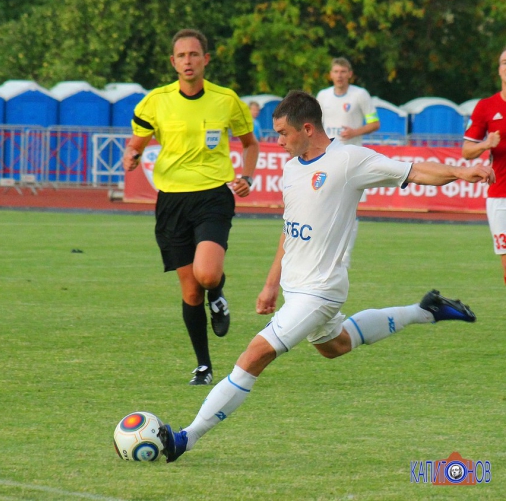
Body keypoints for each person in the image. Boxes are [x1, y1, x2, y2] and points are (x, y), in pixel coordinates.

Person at [158, 90, 494, 462]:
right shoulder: (290, 169)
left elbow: (414, 171)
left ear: (307, 128)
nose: (278, 141)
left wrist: (463, 171)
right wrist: (272, 283)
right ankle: (425, 310)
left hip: (320, 292)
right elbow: (291, 229)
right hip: (295, 288)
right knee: (337, 345)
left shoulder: (348, 159)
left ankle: (186, 438)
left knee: (254, 355)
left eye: (283, 133)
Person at [123, 29, 259, 385]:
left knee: (209, 275)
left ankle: (219, 294)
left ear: (205, 60)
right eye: (181, 56)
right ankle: (204, 365)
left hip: (213, 194)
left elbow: (250, 144)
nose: (188, 61)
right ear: (173, 62)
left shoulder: (226, 100)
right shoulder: (155, 100)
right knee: (190, 291)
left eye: (194, 54)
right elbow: (136, 140)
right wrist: (132, 154)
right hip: (170, 200)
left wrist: (247, 175)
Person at [316, 57, 381, 268]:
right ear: (331, 74)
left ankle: (344, 257)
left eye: (343, 71)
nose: (340, 75)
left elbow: (374, 122)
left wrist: (355, 131)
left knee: (349, 208)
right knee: (324, 205)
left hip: (351, 159)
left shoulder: (360, 95)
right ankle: (324, 252)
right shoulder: (323, 96)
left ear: (350, 74)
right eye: (336, 71)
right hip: (327, 157)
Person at [462, 46, 506, 285]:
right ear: (499, 70)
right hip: (501, 198)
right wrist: (486, 143)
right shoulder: (486, 107)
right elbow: (466, 151)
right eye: (504, 62)